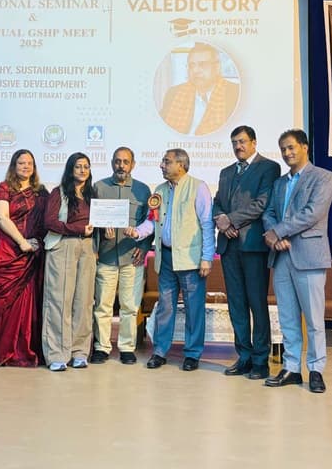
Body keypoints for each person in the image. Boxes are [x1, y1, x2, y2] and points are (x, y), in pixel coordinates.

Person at [125, 148, 215, 371]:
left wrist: (207, 258)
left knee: (194, 309)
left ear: (181, 165)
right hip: (165, 257)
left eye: (166, 162)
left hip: (191, 259)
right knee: (165, 307)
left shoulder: (198, 187)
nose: (161, 165)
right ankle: (160, 351)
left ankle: (192, 354)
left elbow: (207, 224)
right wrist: (137, 232)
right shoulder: (160, 190)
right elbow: (152, 221)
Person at [262, 129, 332, 393]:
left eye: (291, 147)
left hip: (309, 256)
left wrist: (278, 232)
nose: (287, 153)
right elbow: (269, 213)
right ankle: (291, 368)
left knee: (314, 320)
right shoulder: (279, 183)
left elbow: (312, 213)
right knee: (288, 318)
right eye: (283, 149)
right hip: (281, 257)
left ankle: (316, 370)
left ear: (305, 147)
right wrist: (274, 237)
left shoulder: (323, 177)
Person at [213, 125, 280, 379]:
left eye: (242, 142)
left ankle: (261, 360)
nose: (238, 146)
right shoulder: (226, 172)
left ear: (253, 142)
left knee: (257, 303)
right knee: (236, 304)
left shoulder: (269, 167)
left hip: (253, 246)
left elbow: (262, 203)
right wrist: (221, 218)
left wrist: (230, 220)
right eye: (234, 143)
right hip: (229, 247)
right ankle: (244, 357)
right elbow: (217, 203)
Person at [90, 147, 153, 365]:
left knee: (130, 306)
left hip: (132, 258)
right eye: (118, 161)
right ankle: (101, 347)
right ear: (112, 163)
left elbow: (150, 222)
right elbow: (91, 221)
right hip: (106, 256)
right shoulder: (99, 187)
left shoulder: (143, 190)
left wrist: (144, 248)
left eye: (126, 162)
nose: (121, 166)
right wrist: (98, 237)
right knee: (103, 306)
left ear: (133, 165)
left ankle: (127, 347)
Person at [0, 149, 48, 367]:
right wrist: (22, 242)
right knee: (5, 304)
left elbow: (48, 219)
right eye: (21, 163)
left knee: (30, 303)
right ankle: (4, 350)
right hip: (8, 252)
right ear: (14, 166)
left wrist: (37, 241)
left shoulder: (41, 192)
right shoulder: (5, 188)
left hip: (32, 254)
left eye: (30, 163)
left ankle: (27, 348)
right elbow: (1, 217)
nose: (26, 167)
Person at [42, 152, 96, 371]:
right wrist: (77, 228)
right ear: (70, 169)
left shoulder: (93, 194)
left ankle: (79, 352)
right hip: (63, 245)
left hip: (88, 248)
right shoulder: (59, 192)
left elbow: (99, 221)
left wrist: (106, 230)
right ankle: (57, 354)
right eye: (78, 166)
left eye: (86, 166)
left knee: (84, 302)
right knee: (59, 301)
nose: (82, 170)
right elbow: (49, 221)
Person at [159, 42, 240, 136]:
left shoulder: (235, 93)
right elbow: (160, 129)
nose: (195, 70)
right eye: (192, 65)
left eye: (202, 64)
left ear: (217, 67)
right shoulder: (174, 93)